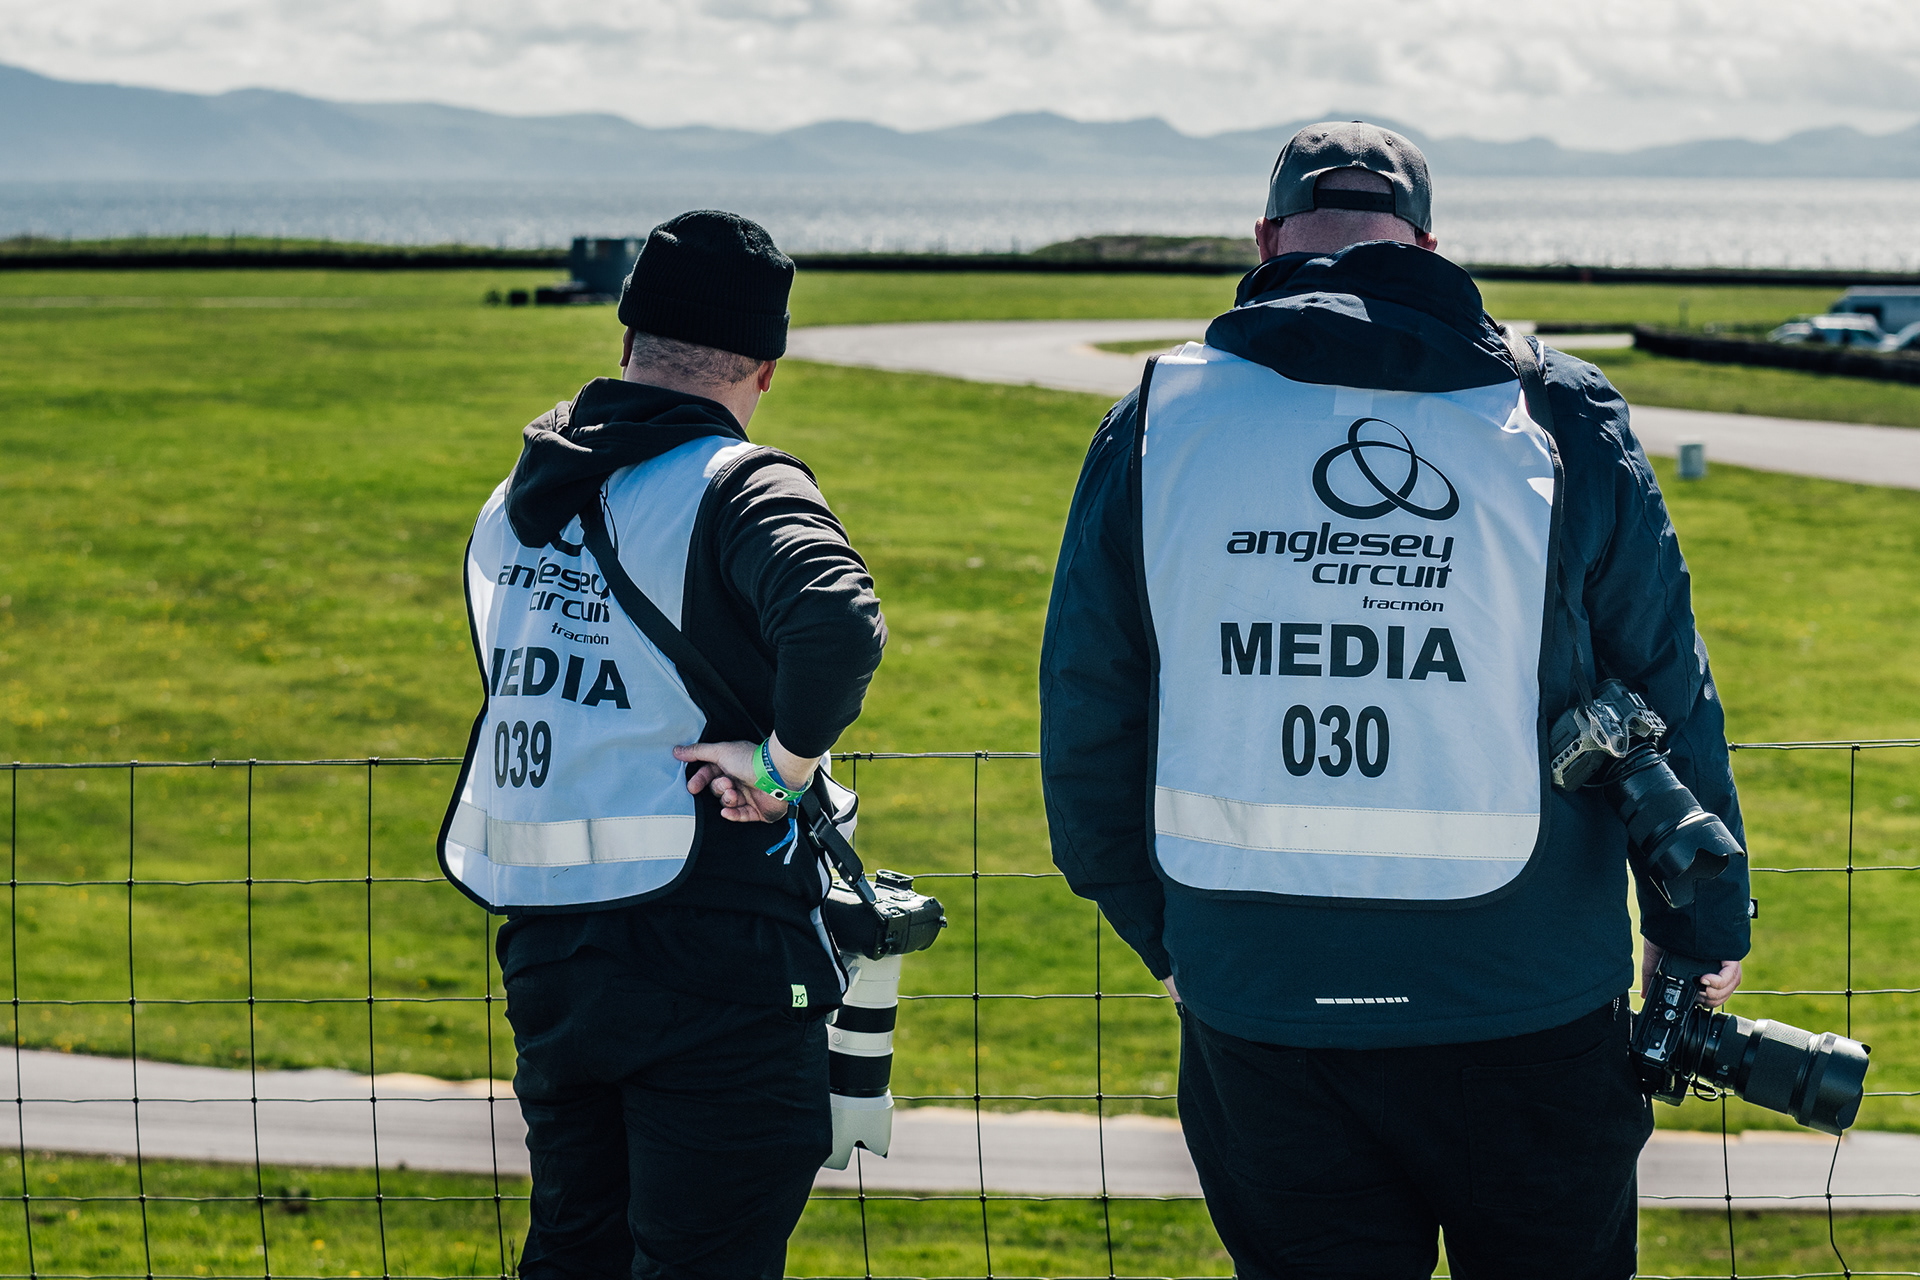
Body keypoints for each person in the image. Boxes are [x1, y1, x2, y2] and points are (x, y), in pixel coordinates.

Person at [1037, 122, 1751, 1278]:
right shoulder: (1558, 412)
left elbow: (1088, 719)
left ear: (1266, 238)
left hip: (1263, 1005)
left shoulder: (1160, 421)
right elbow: (1669, 683)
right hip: (1525, 998)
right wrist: (1699, 928)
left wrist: (1176, 942)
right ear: (1424, 244)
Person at [436, 210, 886, 1278]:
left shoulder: (518, 498)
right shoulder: (737, 482)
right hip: (714, 949)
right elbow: (837, 621)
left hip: (552, 956)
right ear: (766, 367)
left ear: (628, 334)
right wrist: (780, 768)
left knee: (573, 1250)